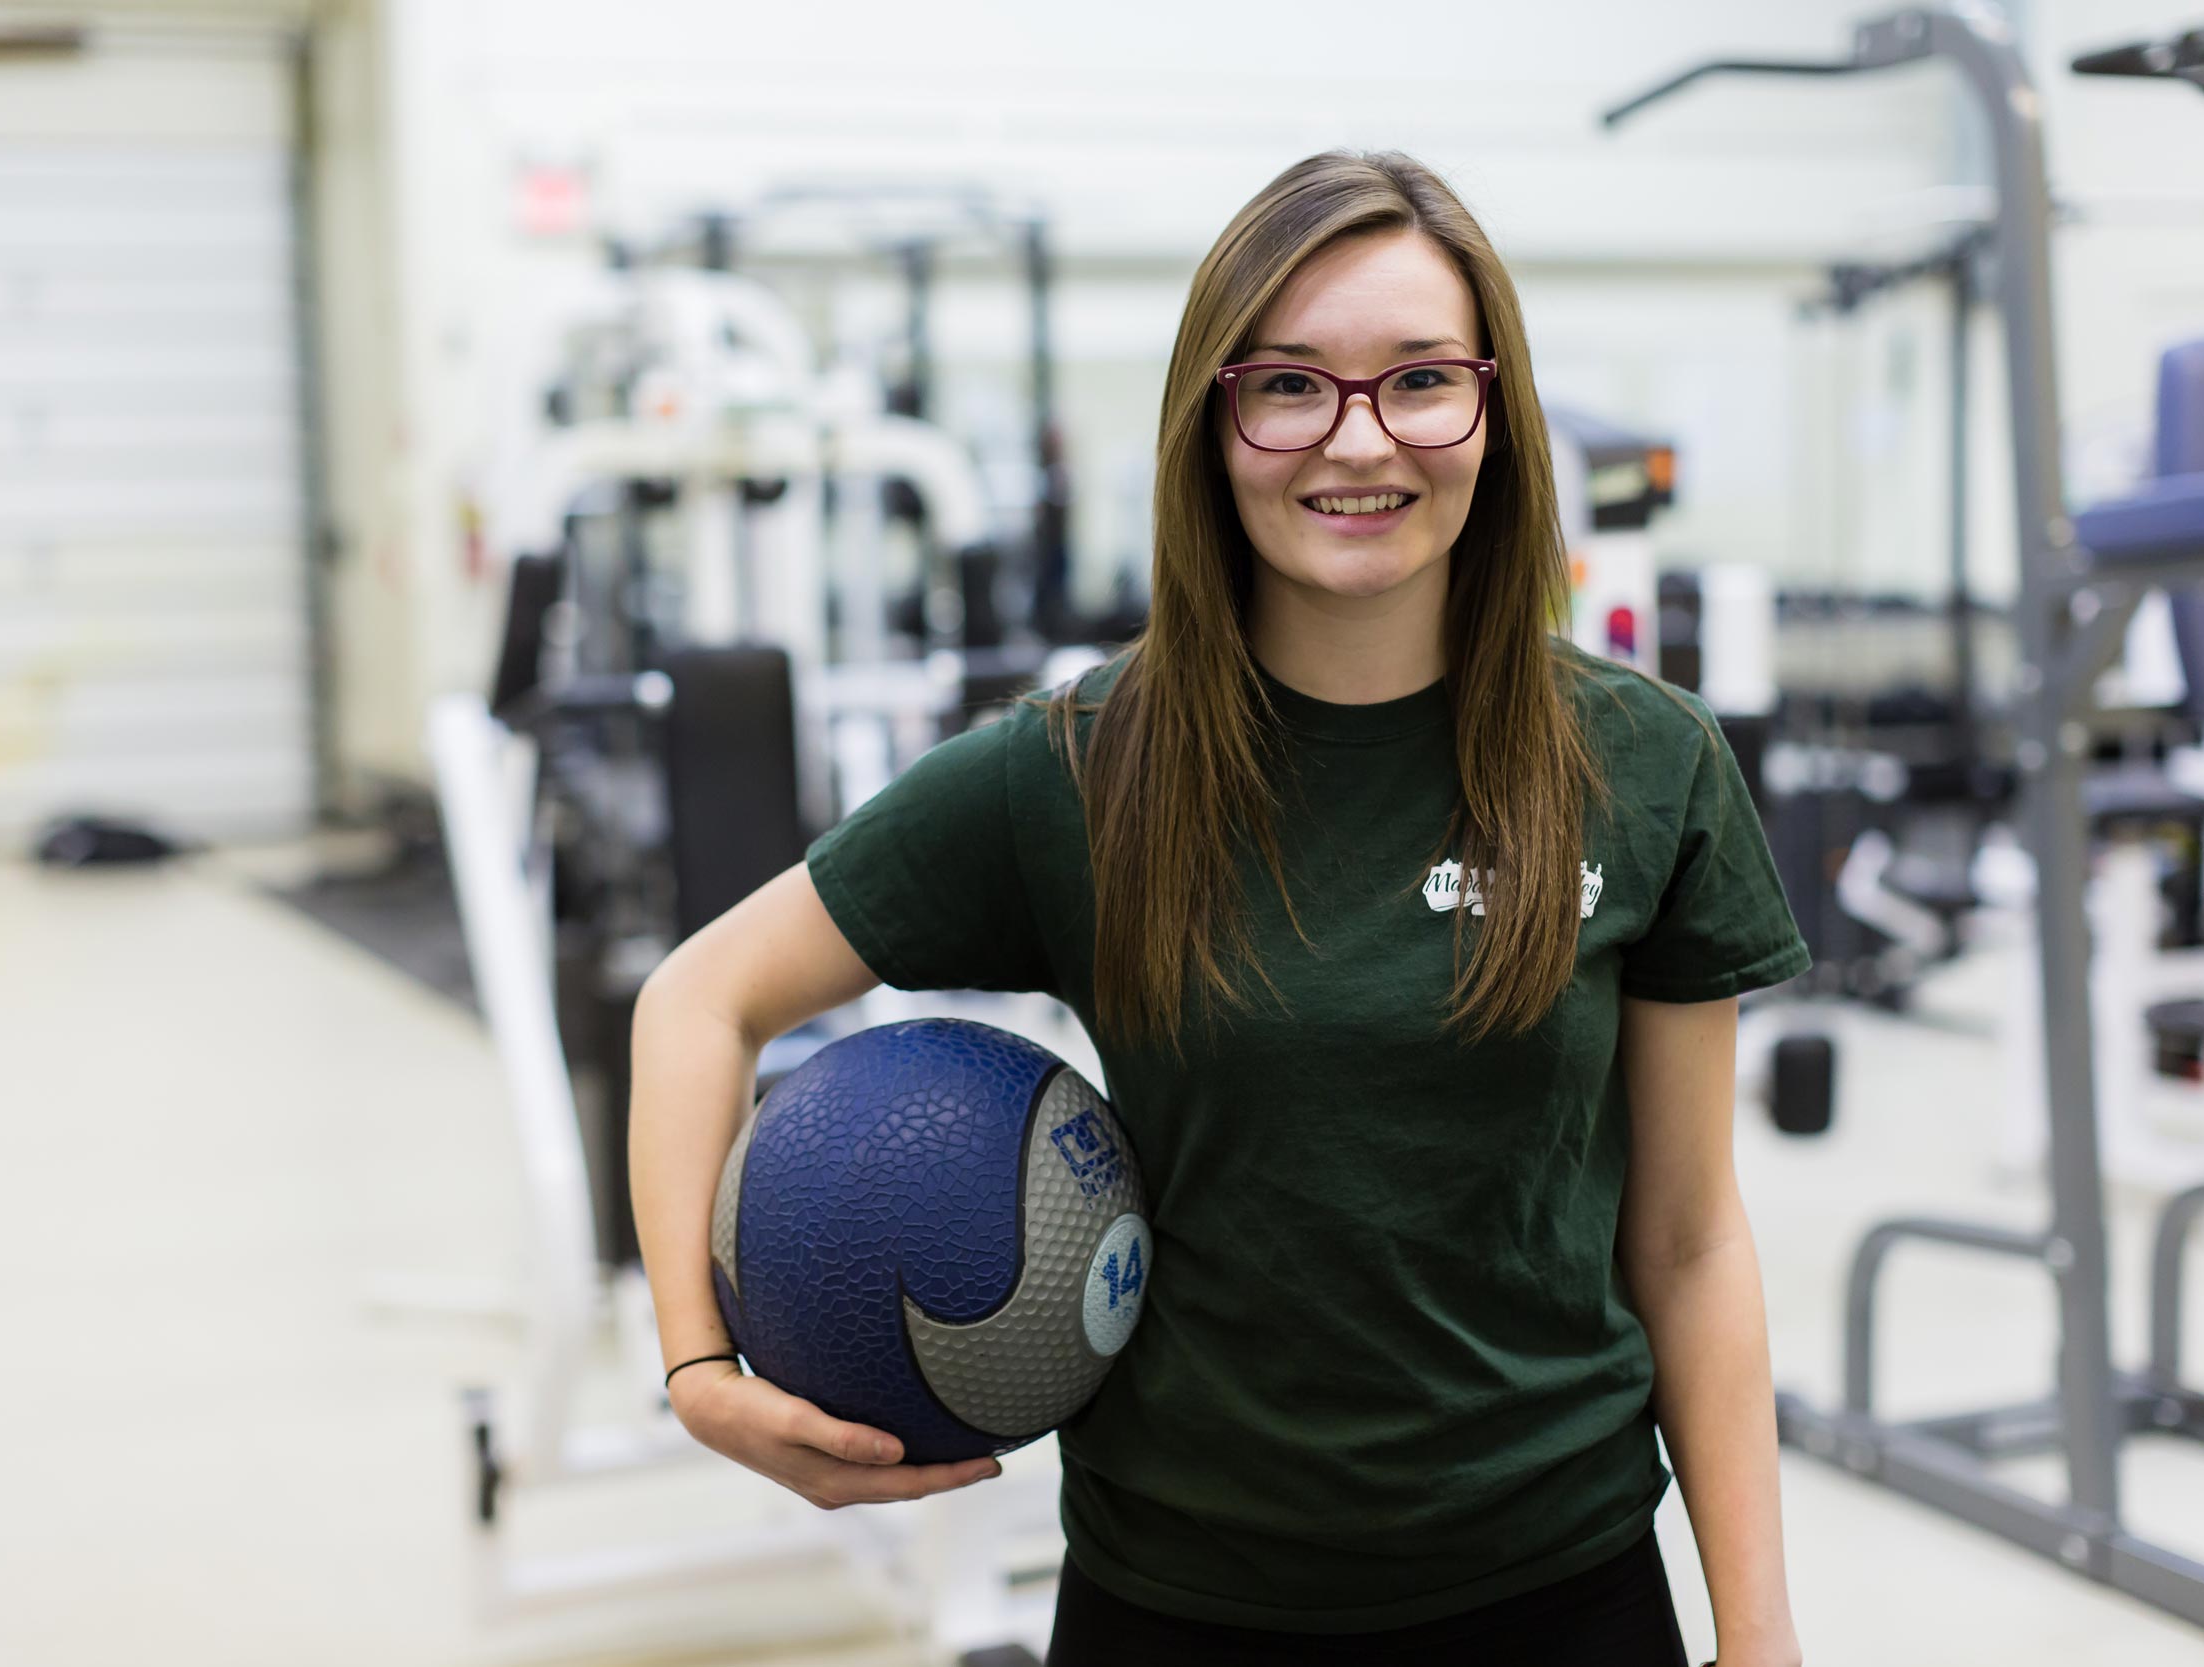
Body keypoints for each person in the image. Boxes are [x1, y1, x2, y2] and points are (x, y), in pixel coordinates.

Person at [628, 150, 1811, 1667]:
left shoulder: (1644, 766)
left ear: (1494, 411)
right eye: (1291, 384)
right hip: (1179, 1602)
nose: (1359, 438)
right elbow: (698, 998)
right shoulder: (1074, 773)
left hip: (1560, 1585)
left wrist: (1761, 1633)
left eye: (1421, 379)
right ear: (1215, 418)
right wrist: (701, 1367)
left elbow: (1693, 1241)